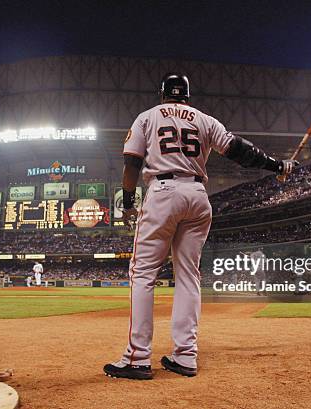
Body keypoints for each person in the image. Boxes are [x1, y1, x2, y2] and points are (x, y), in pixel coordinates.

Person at [104, 73, 298, 380]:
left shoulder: (147, 117)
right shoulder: (205, 120)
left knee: (142, 274)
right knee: (189, 277)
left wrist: (128, 202)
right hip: (197, 196)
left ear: (163, 93)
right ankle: (186, 357)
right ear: (187, 96)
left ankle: (138, 358)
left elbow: (132, 163)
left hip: (163, 192)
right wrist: (277, 165)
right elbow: (239, 150)